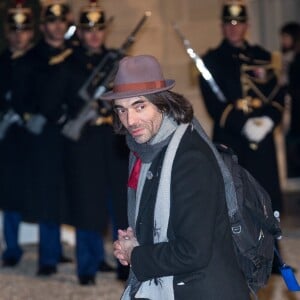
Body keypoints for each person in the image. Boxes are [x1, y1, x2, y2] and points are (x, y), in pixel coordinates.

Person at [100, 54, 250, 299]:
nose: (130, 121)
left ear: (162, 104)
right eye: (122, 110)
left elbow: (192, 252)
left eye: (140, 106)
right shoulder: (146, 151)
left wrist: (135, 254)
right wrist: (137, 240)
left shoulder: (189, 160)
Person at [198, 0, 286, 274]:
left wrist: (268, 120)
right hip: (232, 140)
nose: (234, 28)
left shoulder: (262, 57)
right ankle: (235, 258)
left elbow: (278, 96)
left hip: (262, 142)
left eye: (238, 23)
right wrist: (243, 124)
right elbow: (215, 106)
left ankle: (271, 256)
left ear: (247, 25)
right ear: (222, 27)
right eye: (229, 23)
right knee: (233, 199)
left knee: (266, 199)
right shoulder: (211, 60)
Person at [62, 0, 129, 285]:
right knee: (87, 204)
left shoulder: (115, 61)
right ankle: (87, 266)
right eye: (88, 28)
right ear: (80, 32)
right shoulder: (69, 62)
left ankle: (125, 264)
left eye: (99, 28)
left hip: (112, 140)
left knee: (121, 206)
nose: (94, 34)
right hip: (86, 140)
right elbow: (61, 102)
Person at [13, 0, 73, 276]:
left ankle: (80, 254)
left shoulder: (76, 53)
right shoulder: (31, 58)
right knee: (49, 195)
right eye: (52, 22)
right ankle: (48, 257)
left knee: (75, 192)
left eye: (61, 22)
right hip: (46, 137)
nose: (57, 27)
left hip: (74, 136)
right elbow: (21, 98)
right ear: (43, 26)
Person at [0, 0, 35, 267]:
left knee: (44, 192)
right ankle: (12, 248)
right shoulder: (2, 62)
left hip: (35, 137)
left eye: (23, 29)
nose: (19, 34)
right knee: (9, 194)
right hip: (8, 138)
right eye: (14, 29)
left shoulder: (41, 60)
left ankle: (51, 250)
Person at [279, 22, 300, 177]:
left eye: (286, 37)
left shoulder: (297, 60)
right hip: (292, 115)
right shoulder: (288, 58)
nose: (283, 41)